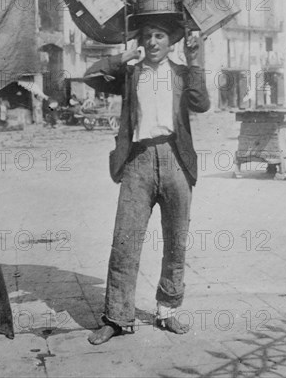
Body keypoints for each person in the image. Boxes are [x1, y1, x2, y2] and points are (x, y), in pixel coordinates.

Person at [84, 18, 210, 345]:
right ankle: (116, 317)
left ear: (171, 42)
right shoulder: (131, 74)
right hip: (138, 161)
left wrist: (195, 60)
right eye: (147, 36)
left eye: (160, 36)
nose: (153, 42)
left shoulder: (182, 73)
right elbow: (91, 76)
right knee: (125, 241)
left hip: (175, 160)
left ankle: (167, 311)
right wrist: (123, 57)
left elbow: (202, 103)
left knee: (175, 241)